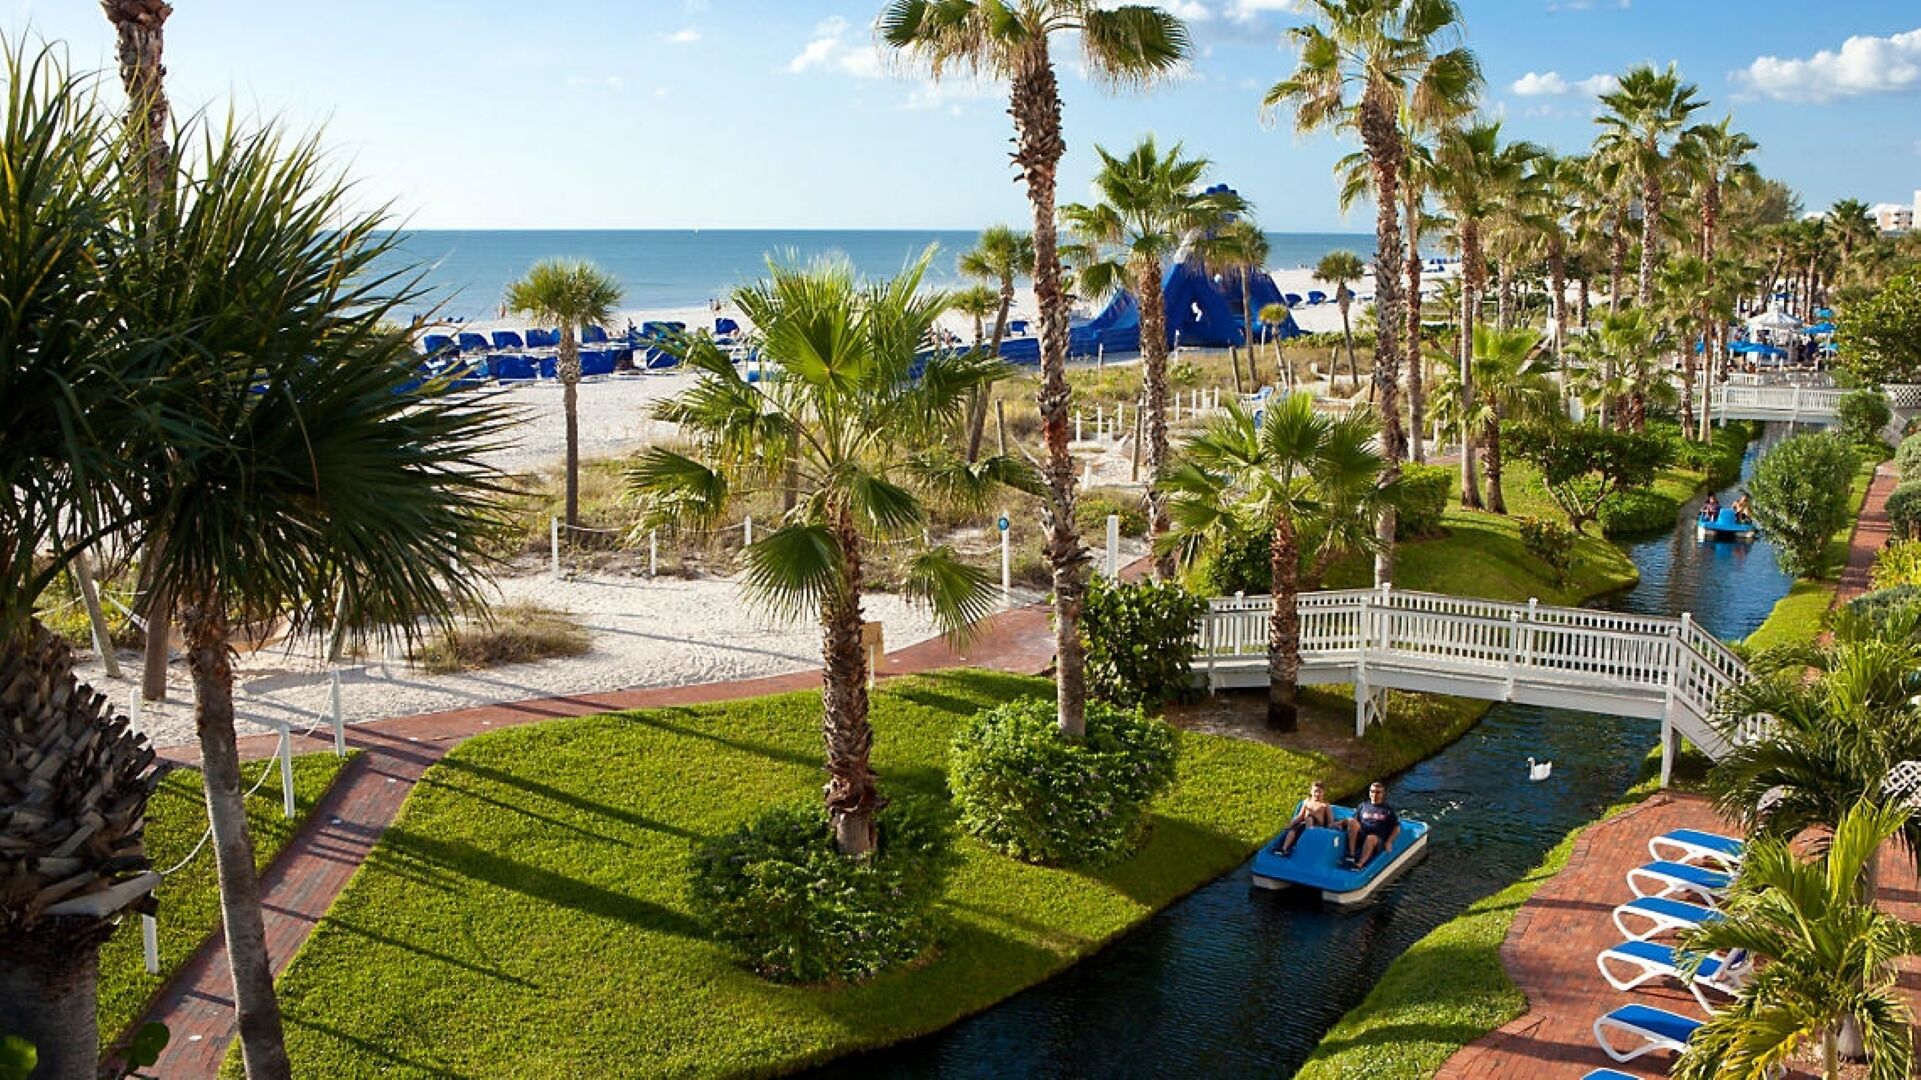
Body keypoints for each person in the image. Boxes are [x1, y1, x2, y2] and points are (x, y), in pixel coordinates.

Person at [1342, 781, 1400, 871]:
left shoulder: (1387, 809)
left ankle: (1360, 864)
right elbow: (1353, 821)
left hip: (1376, 840)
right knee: (1352, 822)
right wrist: (1339, 823)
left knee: (1371, 838)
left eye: (1378, 792)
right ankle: (1351, 854)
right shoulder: (1363, 806)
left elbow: (1396, 827)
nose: (1374, 794)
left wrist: (1389, 842)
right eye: (1372, 791)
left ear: (1382, 794)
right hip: (1362, 835)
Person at [1273, 780, 1334, 857]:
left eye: (1320, 792)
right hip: (1303, 826)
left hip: (1317, 828)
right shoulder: (1307, 801)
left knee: (1309, 818)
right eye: (1315, 791)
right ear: (1311, 792)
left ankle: (1307, 838)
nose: (1317, 794)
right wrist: (1290, 824)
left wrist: (1332, 827)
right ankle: (1283, 849)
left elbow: (1330, 821)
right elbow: (1300, 816)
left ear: (1323, 793)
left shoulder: (1325, 805)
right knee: (1293, 830)